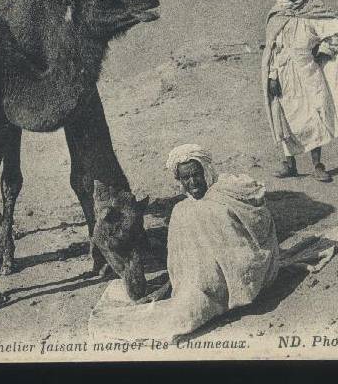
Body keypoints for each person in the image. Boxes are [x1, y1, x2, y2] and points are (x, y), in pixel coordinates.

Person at [88, 144, 280, 341]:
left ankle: (221, 299)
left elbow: (239, 252)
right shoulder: (181, 211)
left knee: (183, 317)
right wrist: (170, 288)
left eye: (196, 174)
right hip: (202, 283)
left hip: (240, 278)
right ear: (179, 180)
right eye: (185, 178)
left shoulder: (221, 200)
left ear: (206, 171)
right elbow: (183, 264)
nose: (193, 182)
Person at [260, 0, 338, 183]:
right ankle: (289, 164)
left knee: (314, 116)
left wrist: (322, 52)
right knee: (284, 116)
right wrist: (272, 76)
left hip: (308, 72)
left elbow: (337, 32)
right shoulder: (278, 14)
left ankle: (317, 165)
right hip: (283, 75)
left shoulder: (314, 11)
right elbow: (273, 50)